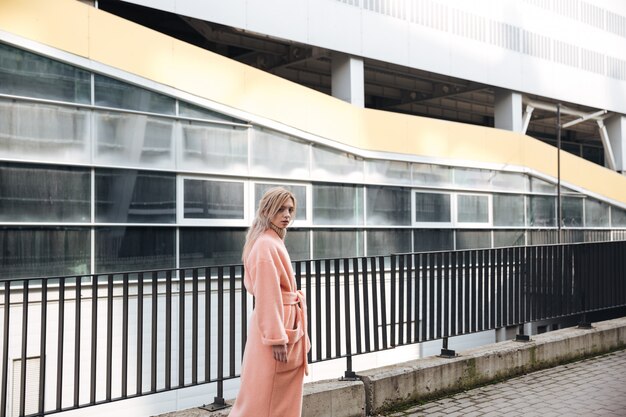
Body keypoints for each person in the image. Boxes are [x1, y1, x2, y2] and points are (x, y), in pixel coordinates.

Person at [229, 187, 310, 417]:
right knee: (265, 397)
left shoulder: (270, 240)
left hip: (281, 324)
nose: (287, 215)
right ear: (267, 210)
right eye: (281, 209)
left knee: (271, 395)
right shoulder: (265, 245)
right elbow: (267, 294)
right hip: (276, 329)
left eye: (290, 210)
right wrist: (276, 338)